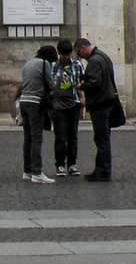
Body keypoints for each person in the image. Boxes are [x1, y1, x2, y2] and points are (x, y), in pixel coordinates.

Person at [77, 36, 117, 182]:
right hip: (107, 102)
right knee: (103, 138)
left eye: (79, 53)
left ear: (82, 48)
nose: (80, 57)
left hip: (100, 103)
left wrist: (82, 85)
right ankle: (101, 169)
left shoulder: (94, 60)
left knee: (101, 139)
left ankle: (103, 171)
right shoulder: (104, 56)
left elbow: (94, 82)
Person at [17, 45, 57, 184]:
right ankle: (37, 172)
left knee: (27, 138)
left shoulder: (28, 63)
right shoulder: (45, 64)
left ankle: (27, 171)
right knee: (36, 138)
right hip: (35, 103)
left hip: (24, 102)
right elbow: (51, 84)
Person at [50, 38, 85, 174]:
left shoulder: (77, 65)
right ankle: (59, 164)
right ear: (59, 53)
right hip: (58, 105)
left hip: (74, 103)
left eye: (67, 54)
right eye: (63, 54)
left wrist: (82, 93)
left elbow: (84, 80)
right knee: (60, 135)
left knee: (72, 135)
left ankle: (72, 164)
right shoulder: (53, 66)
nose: (65, 57)